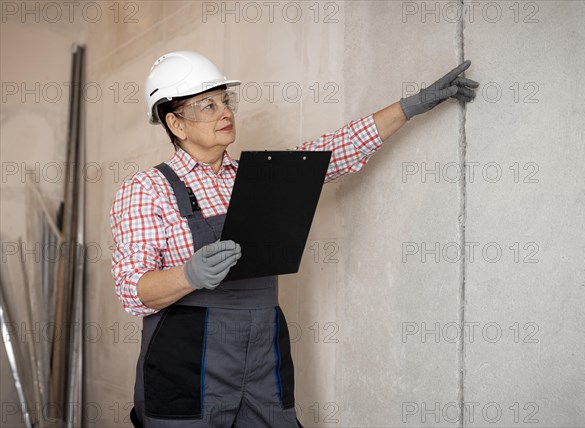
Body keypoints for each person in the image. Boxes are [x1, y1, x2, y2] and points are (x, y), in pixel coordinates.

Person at [109, 50, 479, 428]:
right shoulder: (147, 189)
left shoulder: (257, 177)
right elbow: (131, 291)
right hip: (187, 361)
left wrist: (409, 107)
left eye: (225, 101)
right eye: (207, 104)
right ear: (176, 123)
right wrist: (188, 276)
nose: (225, 112)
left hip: (262, 351)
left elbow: (334, 151)